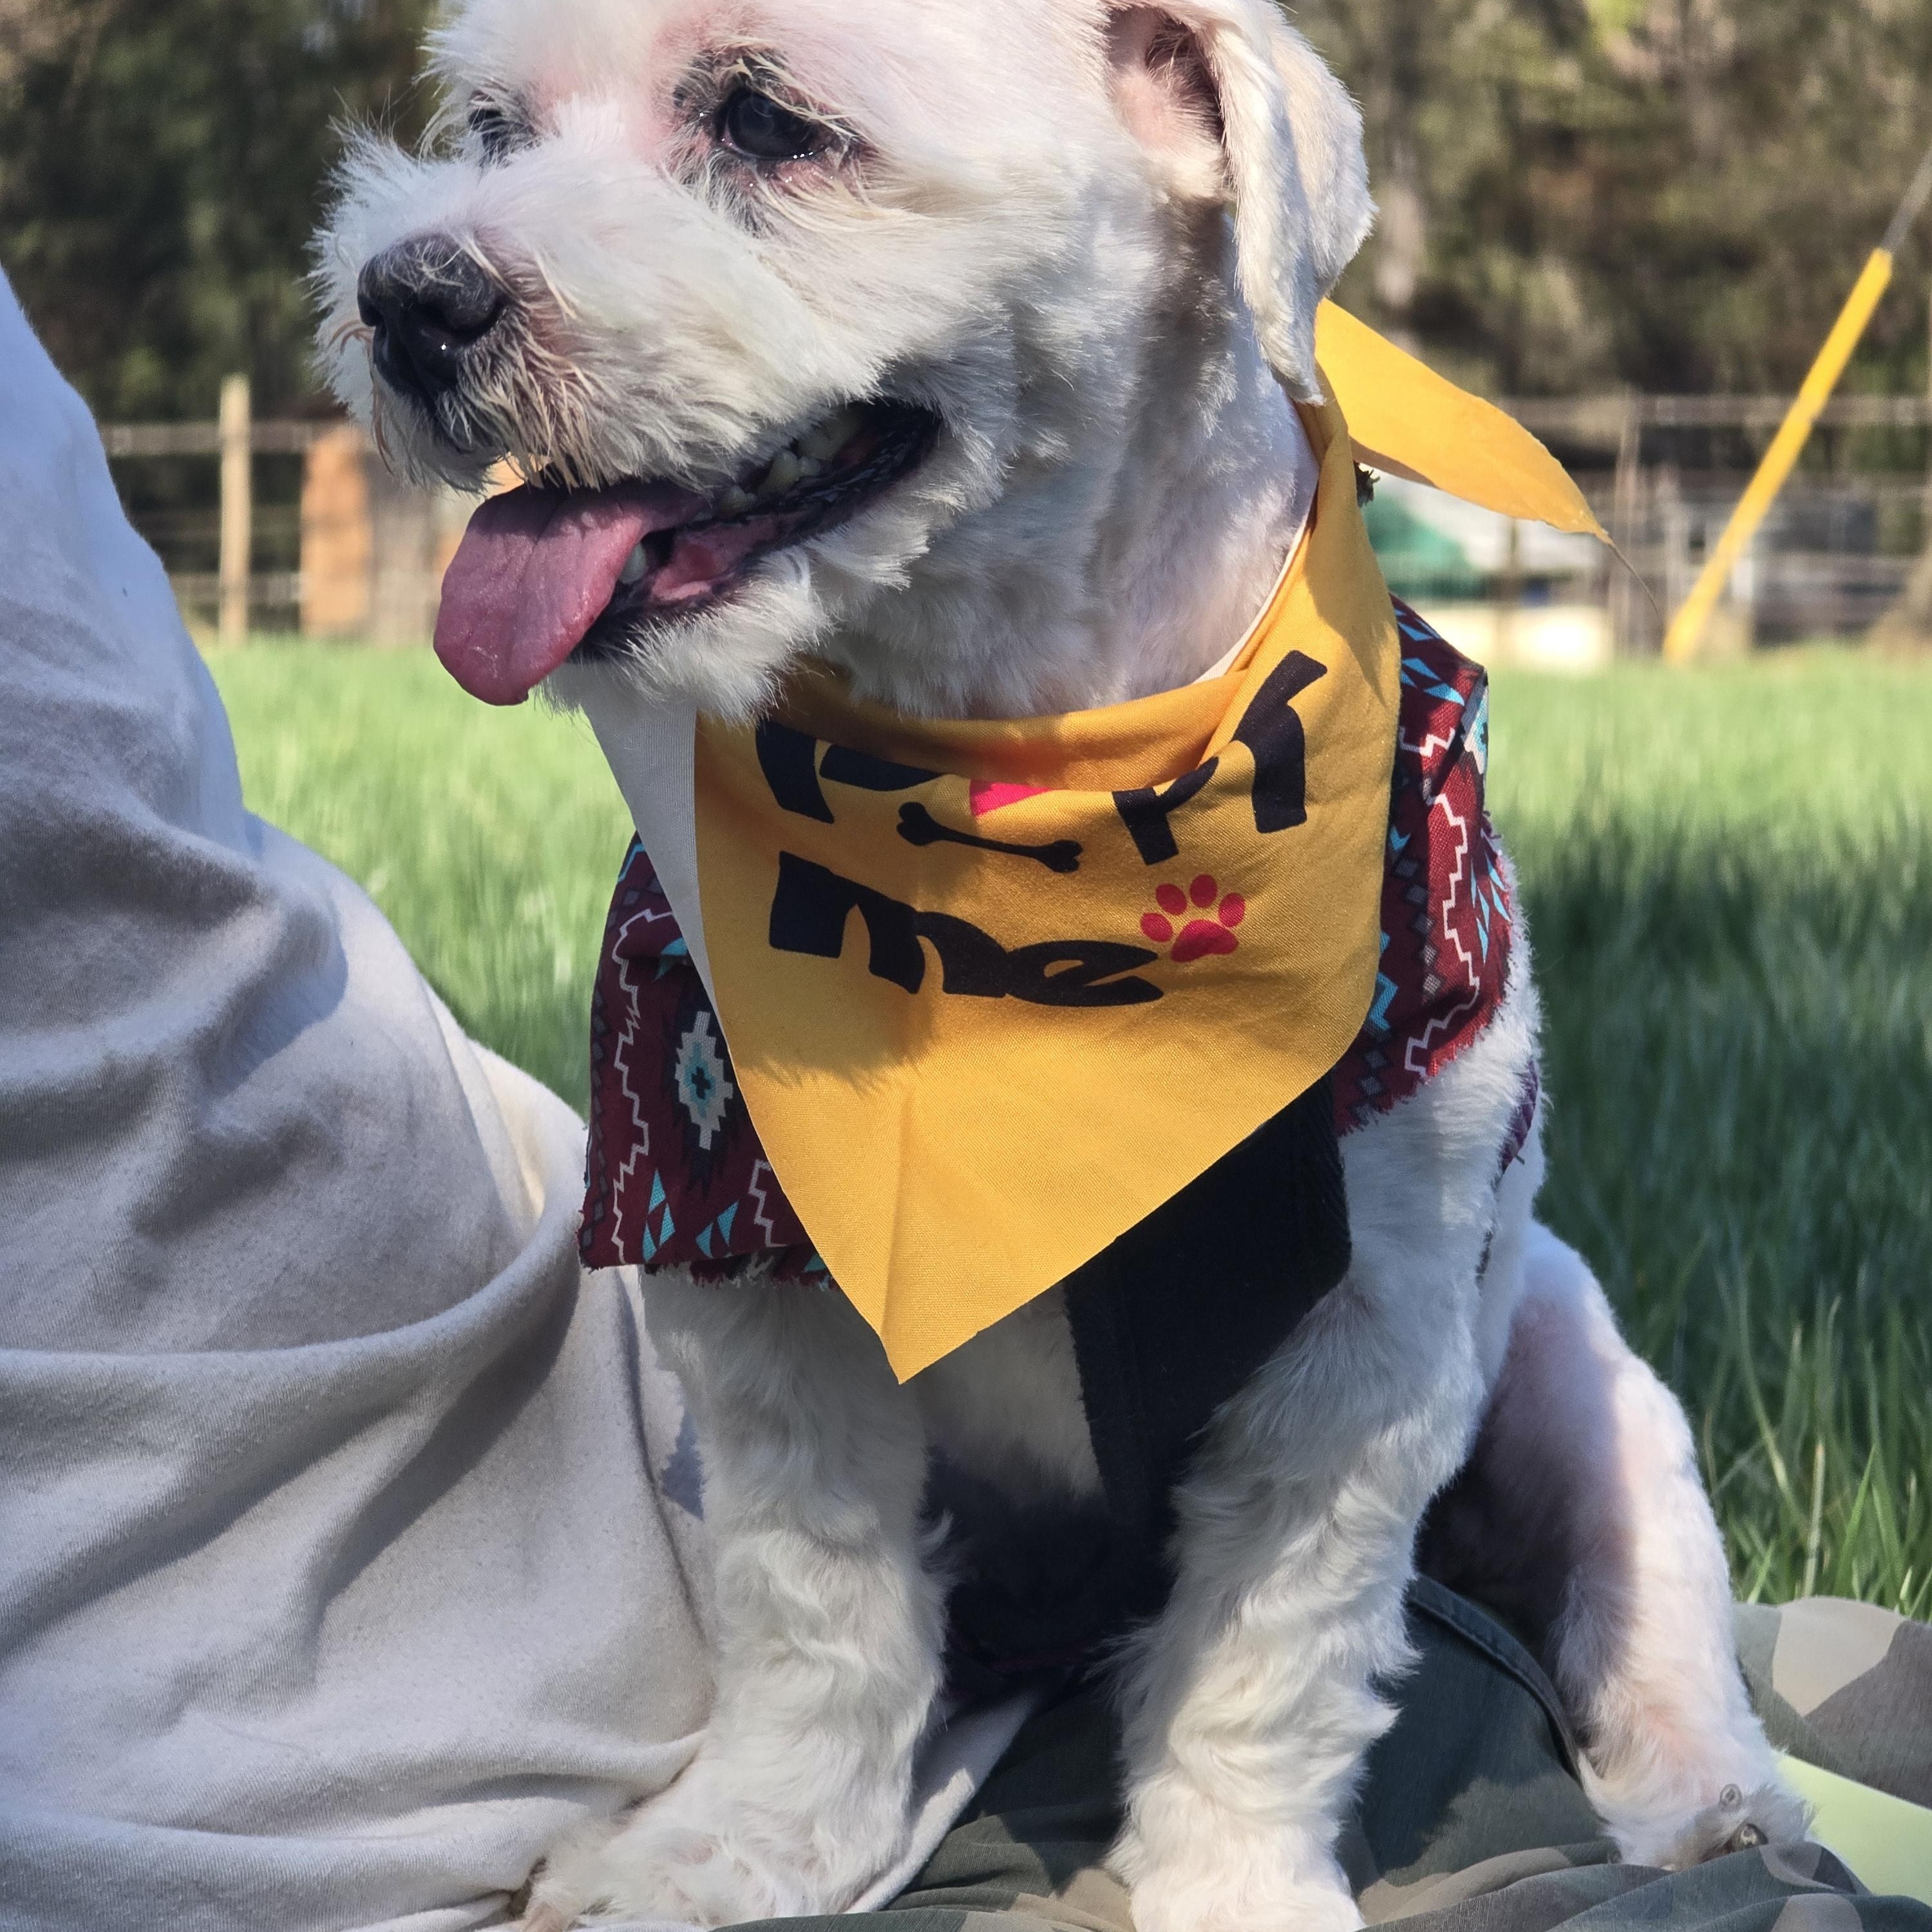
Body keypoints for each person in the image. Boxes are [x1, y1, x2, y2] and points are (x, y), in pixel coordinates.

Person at [1, 272, 1926, 1932]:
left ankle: (1660, 1755)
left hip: (1326, 1483)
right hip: (756, 1565)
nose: (455, 254)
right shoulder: (726, 873)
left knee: (1514, 1347)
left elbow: (1410, 1317)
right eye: (499, 130)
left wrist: (1244, 1815)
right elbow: (743, 1308)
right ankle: (983, 1760)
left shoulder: (1372, 838)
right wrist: (808, 1737)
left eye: (766, 128)